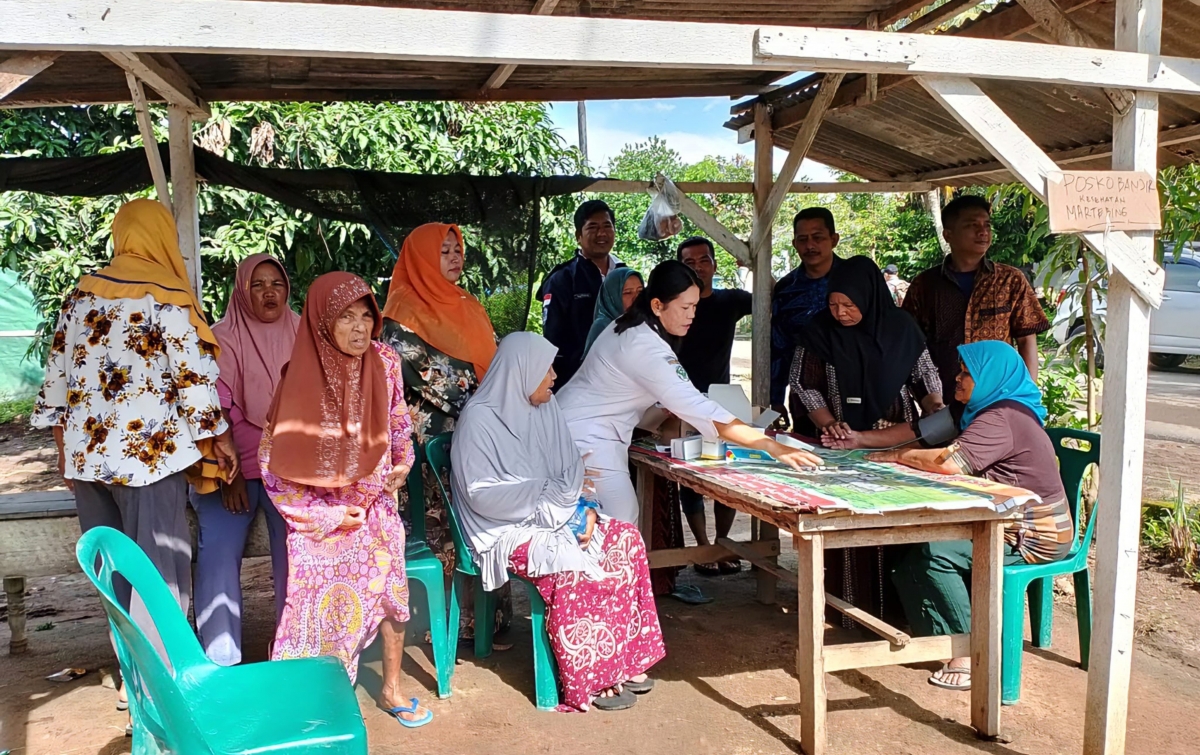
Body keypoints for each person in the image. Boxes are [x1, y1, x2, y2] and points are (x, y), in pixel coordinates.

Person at [31, 198, 237, 713]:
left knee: (115, 570)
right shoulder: (165, 296)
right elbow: (193, 383)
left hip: (90, 466)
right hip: (150, 461)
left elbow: (55, 385)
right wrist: (221, 437)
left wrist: (67, 454)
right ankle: (161, 688)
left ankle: (131, 676)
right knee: (159, 572)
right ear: (163, 237)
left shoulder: (81, 296)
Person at [451, 332, 665, 712]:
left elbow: (574, 471)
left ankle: (624, 659)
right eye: (545, 368)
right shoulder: (480, 421)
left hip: (557, 515)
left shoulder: (546, 408)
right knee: (568, 562)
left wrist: (586, 509)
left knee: (626, 540)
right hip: (503, 528)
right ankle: (589, 676)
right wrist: (549, 499)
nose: (553, 376)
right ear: (522, 371)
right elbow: (481, 493)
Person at [260, 271, 432, 727]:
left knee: (395, 593)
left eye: (366, 316)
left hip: (376, 508)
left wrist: (401, 464)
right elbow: (273, 464)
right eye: (346, 318)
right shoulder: (298, 375)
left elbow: (399, 425)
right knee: (314, 610)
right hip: (321, 522)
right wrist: (332, 514)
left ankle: (392, 688)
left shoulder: (386, 362)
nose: (359, 328)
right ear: (321, 322)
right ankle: (313, 701)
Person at [867, 341, 1073, 691]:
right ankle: (944, 642)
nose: (957, 380)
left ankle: (969, 653)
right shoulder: (978, 409)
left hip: (1034, 535)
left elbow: (948, 462)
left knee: (933, 556)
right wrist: (873, 444)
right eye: (959, 371)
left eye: (967, 374)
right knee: (909, 559)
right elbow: (923, 434)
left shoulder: (1001, 417)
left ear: (991, 376)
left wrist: (898, 457)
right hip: (1002, 520)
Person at [558, 260, 822, 524]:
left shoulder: (630, 326)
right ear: (657, 305)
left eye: (694, 306)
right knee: (619, 522)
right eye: (685, 307)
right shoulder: (644, 346)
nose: (691, 315)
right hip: (586, 440)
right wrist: (772, 447)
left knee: (605, 524)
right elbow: (702, 410)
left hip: (576, 431)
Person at [379, 222, 505, 641]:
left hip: (479, 437)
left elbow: (493, 360)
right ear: (420, 258)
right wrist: (495, 393)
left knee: (483, 521)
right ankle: (439, 624)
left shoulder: (468, 305)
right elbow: (432, 378)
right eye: (444, 251)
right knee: (440, 528)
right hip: (434, 447)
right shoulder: (401, 315)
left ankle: (484, 621)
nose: (455, 257)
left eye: (457, 250)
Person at [191, 254, 297, 666]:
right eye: (258, 284)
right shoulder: (222, 337)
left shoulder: (303, 331)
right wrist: (228, 474)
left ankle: (295, 650)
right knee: (217, 551)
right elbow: (214, 409)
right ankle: (220, 660)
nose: (270, 292)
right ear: (241, 290)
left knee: (298, 550)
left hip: (289, 466)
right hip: (231, 466)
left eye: (277, 283)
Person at [902, 195, 1050, 404]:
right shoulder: (924, 286)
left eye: (987, 225)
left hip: (999, 397)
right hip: (944, 400)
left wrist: (1027, 396)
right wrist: (926, 397)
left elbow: (1026, 339)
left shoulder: (1010, 280)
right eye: (972, 225)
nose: (983, 232)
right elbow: (910, 346)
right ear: (948, 234)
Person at [790, 256, 942, 440]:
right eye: (832, 304)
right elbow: (803, 384)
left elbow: (924, 373)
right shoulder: (819, 331)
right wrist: (829, 424)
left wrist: (934, 405)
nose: (840, 313)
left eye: (849, 305)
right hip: (839, 438)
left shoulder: (902, 328)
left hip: (896, 436)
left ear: (868, 297)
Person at [676, 236, 753, 576]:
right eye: (689, 263)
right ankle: (702, 545)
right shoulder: (672, 305)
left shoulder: (731, 301)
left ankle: (723, 545)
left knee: (725, 475)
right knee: (688, 477)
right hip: (680, 402)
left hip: (722, 400)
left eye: (703, 260)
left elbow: (773, 297)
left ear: (714, 265)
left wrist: (752, 262)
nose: (697, 268)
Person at [537, 200, 626, 390]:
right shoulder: (563, 279)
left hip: (622, 377)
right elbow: (552, 338)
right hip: (577, 381)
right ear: (579, 236)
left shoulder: (625, 275)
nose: (601, 233)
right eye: (592, 227)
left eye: (606, 226)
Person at [770, 207, 844, 436]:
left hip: (855, 391)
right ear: (794, 244)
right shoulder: (786, 289)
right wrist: (774, 399)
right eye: (803, 239)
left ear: (834, 239)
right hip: (803, 394)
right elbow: (778, 347)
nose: (810, 245)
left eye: (818, 237)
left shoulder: (857, 280)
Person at [583, 267, 643, 357]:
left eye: (640, 291)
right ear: (612, 296)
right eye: (628, 293)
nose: (636, 298)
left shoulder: (643, 321)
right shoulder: (602, 326)